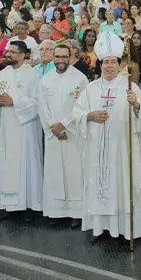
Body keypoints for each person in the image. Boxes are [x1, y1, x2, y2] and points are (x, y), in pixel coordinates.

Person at [71, 31, 141, 243]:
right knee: (99, 185)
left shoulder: (130, 87)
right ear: (100, 65)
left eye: (112, 62)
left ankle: (126, 230)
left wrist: (136, 104)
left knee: (122, 185)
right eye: (105, 62)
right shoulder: (91, 88)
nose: (109, 66)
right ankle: (101, 228)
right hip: (98, 150)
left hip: (122, 148)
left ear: (119, 65)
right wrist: (90, 115)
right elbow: (77, 113)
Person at [38, 44, 90, 228]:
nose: (60, 60)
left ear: (71, 57)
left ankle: (77, 213)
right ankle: (56, 212)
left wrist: (65, 125)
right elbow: (41, 106)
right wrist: (53, 127)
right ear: (53, 57)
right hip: (53, 134)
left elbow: (83, 106)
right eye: (57, 57)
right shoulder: (45, 80)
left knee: (75, 173)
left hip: (72, 134)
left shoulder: (80, 79)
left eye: (64, 57)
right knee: (54, 172)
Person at [0, 41, 44, 222]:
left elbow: (38, 102)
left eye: (13, 52)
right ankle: (10, 204)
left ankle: (31, 205)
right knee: (7, 164)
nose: (8, 55)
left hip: (25, 128)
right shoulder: (1, 74)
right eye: (8, 52)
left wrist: (13, 102)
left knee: (27, 164)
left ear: (23, 55)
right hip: (5, 126)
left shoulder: (33, 75)